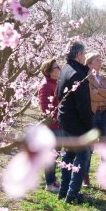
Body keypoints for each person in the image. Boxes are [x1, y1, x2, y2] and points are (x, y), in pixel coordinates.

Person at [57, 42, 92, 204]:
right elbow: (83, 105)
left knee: (68, 155)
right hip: (76, 122)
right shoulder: (78, 74)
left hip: (65, 119)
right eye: (84, 54)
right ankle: (72, 194)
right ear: (78, 54)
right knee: (82, 155)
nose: (85, 57)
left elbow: (59, 95)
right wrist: (88, 126)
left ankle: (63, 191)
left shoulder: (65, 69)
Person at [83, 52, 106, 186]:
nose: (100, 62)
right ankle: (85, 176)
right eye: (97, 60)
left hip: (105, 113)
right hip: (93, 114)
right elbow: (90, 96)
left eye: (100, 60)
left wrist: (98, 91)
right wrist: (102, 93)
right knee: (90, 146)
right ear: (89, 63)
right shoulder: (86, 78)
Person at [38, 59, 62, 193]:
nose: (59, 69)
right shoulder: (46, 86)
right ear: (49, 71)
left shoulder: (55, 83)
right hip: (53, 127)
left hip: (59, 125)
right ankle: (49, 183)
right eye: (56, 67)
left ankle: (53, 180)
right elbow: (45, 109)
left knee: (55, 154)